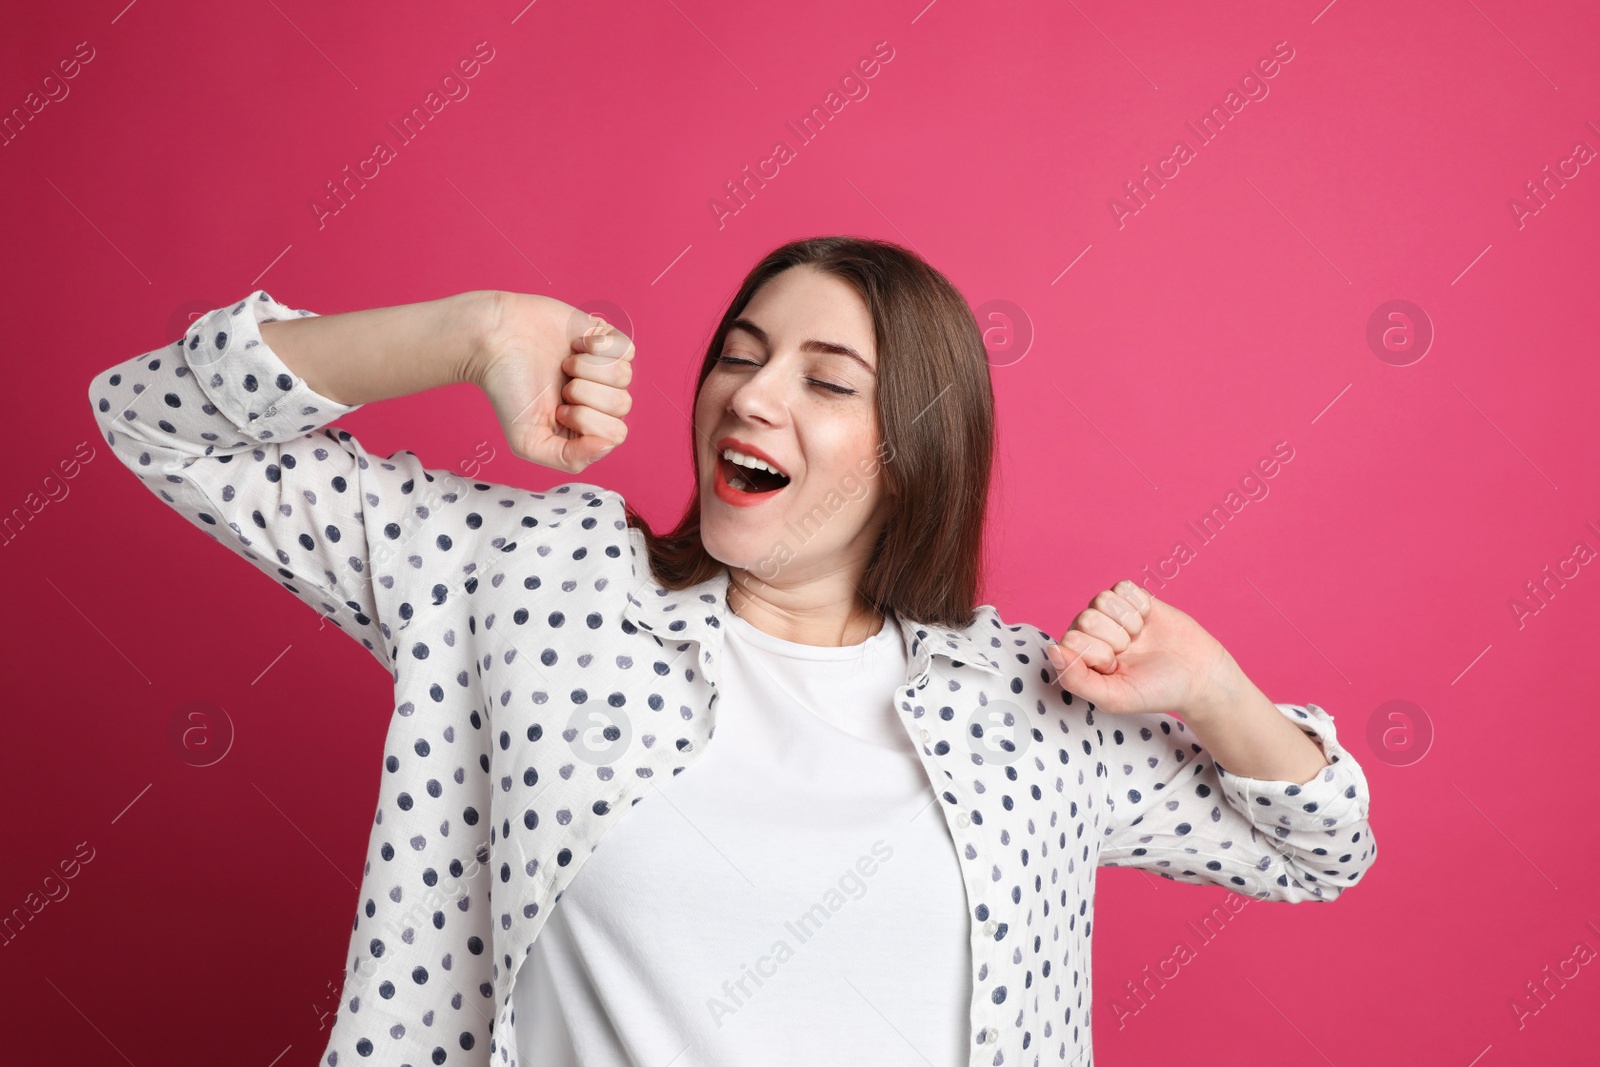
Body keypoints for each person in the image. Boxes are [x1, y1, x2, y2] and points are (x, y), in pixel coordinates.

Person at [87, 235, 1376, 1066]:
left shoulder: (1023, 703)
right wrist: (469, 331)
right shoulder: (533, 588)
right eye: (739, 357)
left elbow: (1323, 849)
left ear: (915, 449)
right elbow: (158, 421)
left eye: (826, 379)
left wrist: (1210, 687)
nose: (750, 396)